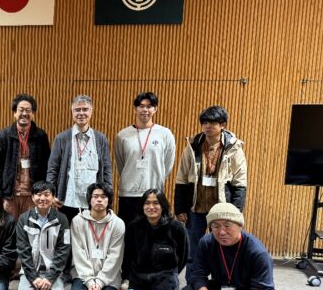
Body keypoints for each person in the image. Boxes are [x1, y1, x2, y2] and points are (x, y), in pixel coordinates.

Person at [175, 106, 247, 279]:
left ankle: (220, 282)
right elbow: (181, 178)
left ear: (222, 125)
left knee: (222, 246)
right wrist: (180, 208)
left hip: (221, 207)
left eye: (213, 123)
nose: (207, 126)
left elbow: (240, 182)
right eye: (205, 122)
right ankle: (193, 283)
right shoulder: (193, 146)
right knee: (193, 248)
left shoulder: (233, 148)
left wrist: (235, 212)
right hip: (196, 206)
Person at [116, 189, 188, 290]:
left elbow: (183, 257)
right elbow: (128, 255)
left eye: (156, 203)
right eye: (147, 203)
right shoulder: (133, 227)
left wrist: (170, 277)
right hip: (139, 285)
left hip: (164, 288)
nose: (151, 207)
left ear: (163, 206)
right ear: (142, 206)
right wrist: (129, 278)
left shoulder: (177, 228)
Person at [47, 95, 113, 222]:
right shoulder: (62, 138)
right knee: (67, 232)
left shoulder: (100, 139)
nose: (81, 113)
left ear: (91, 111)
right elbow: (52, 169)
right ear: (72, 112)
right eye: (77, 110)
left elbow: (107, 169)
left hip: (93, 201)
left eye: (85, 109)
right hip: (67, 200)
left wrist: (108, 194)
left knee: (91, 233)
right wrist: (51, 193)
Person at [114, 92, 176, 226]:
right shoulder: (122, 135)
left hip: (153, 193)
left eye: (149, 106)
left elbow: (167, 164)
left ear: (155, 109)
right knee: (129, 233)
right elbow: (121, 164)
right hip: (128, 193)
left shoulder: (165, 134)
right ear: (135, 109)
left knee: (153, 233)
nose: (145, 110)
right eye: (141, 106)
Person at [69, 183, 124, 290]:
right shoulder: (77, 221)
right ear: (89, 200)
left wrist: (99, 282)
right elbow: (78, 253)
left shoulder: (118, 224)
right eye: (95, 196)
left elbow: (115, 257)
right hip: (82, 275)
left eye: (103, 197)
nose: (99, 200)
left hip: (107, 277)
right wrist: (89, 281)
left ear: (109, 200)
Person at [0, 94, 51, 221]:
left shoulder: (41, 136)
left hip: (32, 196)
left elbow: (47, 166)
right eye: (21, 110)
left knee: (29, 228)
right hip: (10, 196)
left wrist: (42, 193)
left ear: (33, 114)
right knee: (9, 228)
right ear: (14, 113)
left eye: (28, 110)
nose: (24, 113)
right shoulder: (4, 135)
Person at [16, 181, 70, 290]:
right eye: (38, 194)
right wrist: (34, 278)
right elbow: (23, 251)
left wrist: (50, 278)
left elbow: (64, 251)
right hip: (30, 271)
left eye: (47, 194)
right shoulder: (23, 219)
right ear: (32, 197)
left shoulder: (62, 220)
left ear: (53, 197)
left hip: (52, 272)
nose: (42, 198)